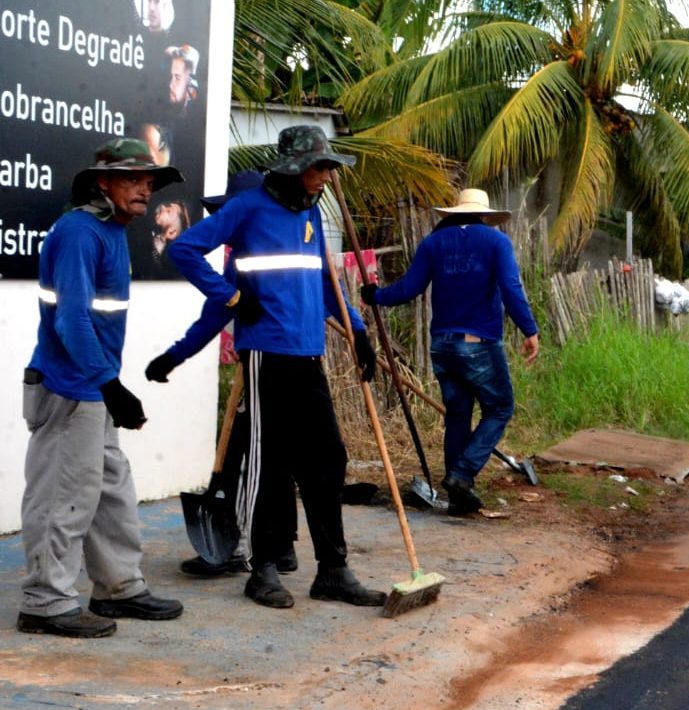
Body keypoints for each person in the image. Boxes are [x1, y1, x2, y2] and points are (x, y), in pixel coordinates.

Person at [169, 126, 384, 610]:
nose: (326, 177)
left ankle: (332, 569)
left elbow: (327, 283)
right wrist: (230, 295)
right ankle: (262, 569)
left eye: (329, 168)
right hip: (267, 354)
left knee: (329, 459)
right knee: (270, 465)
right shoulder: (247, 209)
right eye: (319, 167)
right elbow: (184, 249)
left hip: (310, 353)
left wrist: (358, 331)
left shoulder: (310, 213)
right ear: (292, 167)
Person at [17, 138, 187, 638]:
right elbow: (71, 319)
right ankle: (45, 602)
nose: (145, 191)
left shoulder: (112, 230)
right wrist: (111, 385)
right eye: (133, 180)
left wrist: (110, 388)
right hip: (70, 388)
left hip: (93, 388)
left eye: (149, 183)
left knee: (110, 489)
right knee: (62, 495)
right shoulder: (78, 232)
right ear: (102, 183)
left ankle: (118, 587)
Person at [146, 170, 300, 578]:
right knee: (274, 455)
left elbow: (216, 313)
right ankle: (282, 548)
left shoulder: (243, 262)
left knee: (245, 456)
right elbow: (219, 314)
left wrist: (175, 355)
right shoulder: (262, 252)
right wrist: (174, 357)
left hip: (267, 364)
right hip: (295, 363)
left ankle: (251, 548)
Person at [362, 188, 539, 515]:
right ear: (485, 215)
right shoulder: (496, 242)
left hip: (442, 345)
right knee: (500, 408)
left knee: (458, 415)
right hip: (478, 343)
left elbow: (409, 289)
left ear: (454, 213)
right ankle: (461, 475)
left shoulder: (433, 243)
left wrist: (375, 295)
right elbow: (511, 289)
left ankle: (458, 496)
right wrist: (529, 330)